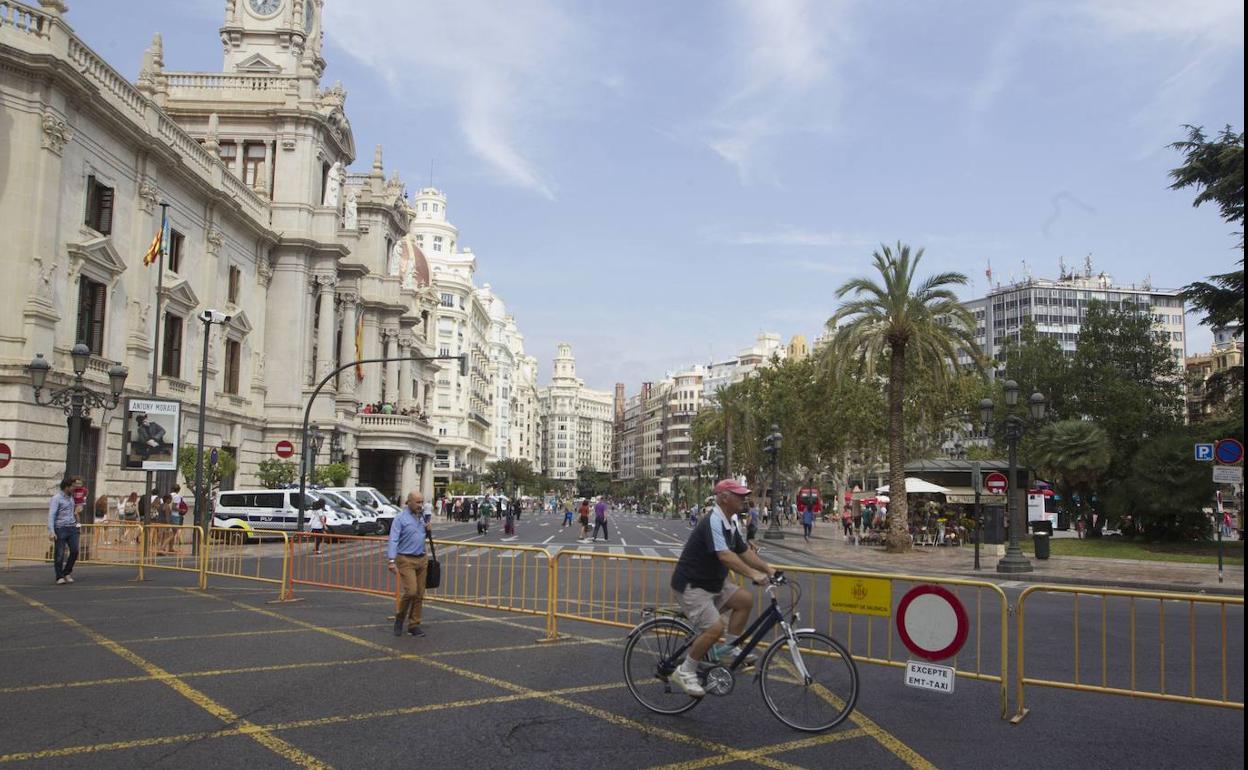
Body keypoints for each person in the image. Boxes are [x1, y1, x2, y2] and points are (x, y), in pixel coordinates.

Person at [669, 479, 776, 697]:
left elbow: (743, 551)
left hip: (713, 583)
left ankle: (729, 649)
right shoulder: (713, 521)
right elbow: (725, 555)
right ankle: (685, 670)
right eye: (739, 495)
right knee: (714, 628)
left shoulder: (730, 521)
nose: (744, 499)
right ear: (724, 497)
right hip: (692, 585)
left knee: (744, 600)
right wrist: (754, 574)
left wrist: (768, 568)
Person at [387, 492, 433, 637]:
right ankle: (400, 618)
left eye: (422, 502)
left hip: (421, 558)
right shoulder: (400, 519)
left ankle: (414, 625)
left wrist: (428, 529)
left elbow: (420, 535)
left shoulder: (422, 518)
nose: (420, 505)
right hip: (405, 558)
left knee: (419, 594)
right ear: (409, 502)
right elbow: (393, 539)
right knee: (411, 591)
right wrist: (391, 560)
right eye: (418, 502)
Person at [48, 476, 83, 584]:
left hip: (72, 527)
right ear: (66, 487)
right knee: (59, 554)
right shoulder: (56, 498)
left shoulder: (71, 498)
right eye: (72, 486)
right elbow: (52, 515)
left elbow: (73, 512)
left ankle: (67, 572)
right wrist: (51, 531)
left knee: (75, 551)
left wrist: (78, 525)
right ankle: (59, 576)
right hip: (61, 528)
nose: (74, 488)